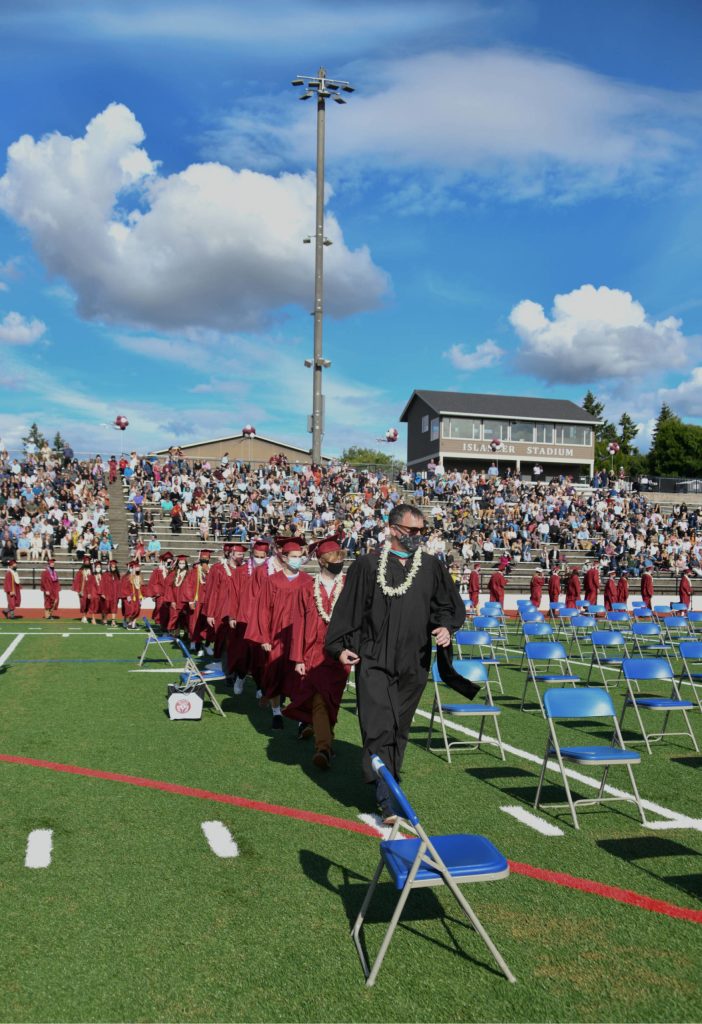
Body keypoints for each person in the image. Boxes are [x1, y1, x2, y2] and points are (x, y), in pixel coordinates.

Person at [325, 504, 467, 820]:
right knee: (377, 725)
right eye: (411, 531)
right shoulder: (367, 565)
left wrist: (446, 627)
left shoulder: (431, 567)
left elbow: (447, 606)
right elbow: (347, 610)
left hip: (413, 660)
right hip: (373, 657)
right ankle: (386, 798)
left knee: (398, 727)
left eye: (421, 531)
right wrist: (338, 648)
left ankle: (391, 783)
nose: (418, 537)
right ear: (392, 529)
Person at [285, 535, 351, 768]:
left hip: (340, 654)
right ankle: (323, 747)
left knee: (332, 699)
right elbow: (299, 624)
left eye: (340, 558)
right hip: (313, 653)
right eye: (334, 558)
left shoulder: (349, 588)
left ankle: (320, 732)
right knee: (320, 698)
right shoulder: (306, 589)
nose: (339, 562)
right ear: (322, 561)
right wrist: (297, 658)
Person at [245, 536, 314, 729]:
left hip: (299, 637)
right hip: (276, 636)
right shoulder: (272, 581)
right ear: (284, 557)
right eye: (293, 556)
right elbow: (263, 610)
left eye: (299, 556)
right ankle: (276, 712)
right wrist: (264, 637)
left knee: (300, 677)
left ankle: (301, 717)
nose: (297, 559)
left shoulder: (308, 581)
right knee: (274, 673)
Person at [143, 552, 174, 630]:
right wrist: (156, 593)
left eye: (170, 561)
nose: (169, 563)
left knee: (169, 610)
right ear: (164, 562)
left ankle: (167, 625)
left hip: (170, 594)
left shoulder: (173, 571)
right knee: (160, 608)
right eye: (168, 561)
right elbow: (153, 583)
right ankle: (161, 624)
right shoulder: (158, 571)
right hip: (160, 594)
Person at [72, 554, 95, 623]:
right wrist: (79, 591)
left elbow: (93, 582)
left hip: (90, 590)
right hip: (83, 590)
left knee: (89, 603)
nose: (87, 562)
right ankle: (84, 616)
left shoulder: (92, 571)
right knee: (83, 603)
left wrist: (92, 591)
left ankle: (87, 617)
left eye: (88, 561)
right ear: (84, 562)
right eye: (86, 561)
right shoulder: (81, 571)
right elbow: (77, 581)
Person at [98, 559, 121, 627]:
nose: (113, 568)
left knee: (114, 607)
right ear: (109, 567)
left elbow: (119, 585)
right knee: (106, 607)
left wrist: (119, 594)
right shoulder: (105, 574)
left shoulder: (117, 575)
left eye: (114, 567)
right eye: (112, 566)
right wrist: (102, 593)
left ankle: (113, 621)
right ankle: (105, 619)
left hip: (115, 594)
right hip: (107, 593)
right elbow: (102, 584)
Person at [120, 560, 143, 628]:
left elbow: (140, 587)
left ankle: (133, 623)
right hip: (129, 596)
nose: (137, 569)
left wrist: (141, 595)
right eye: (135, 568)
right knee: (130, 609)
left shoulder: (138, 577)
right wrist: (127, 595)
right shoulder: (126, 577)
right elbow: (123, 587)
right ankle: (127, 621)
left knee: (137, 609)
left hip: (136, 595)